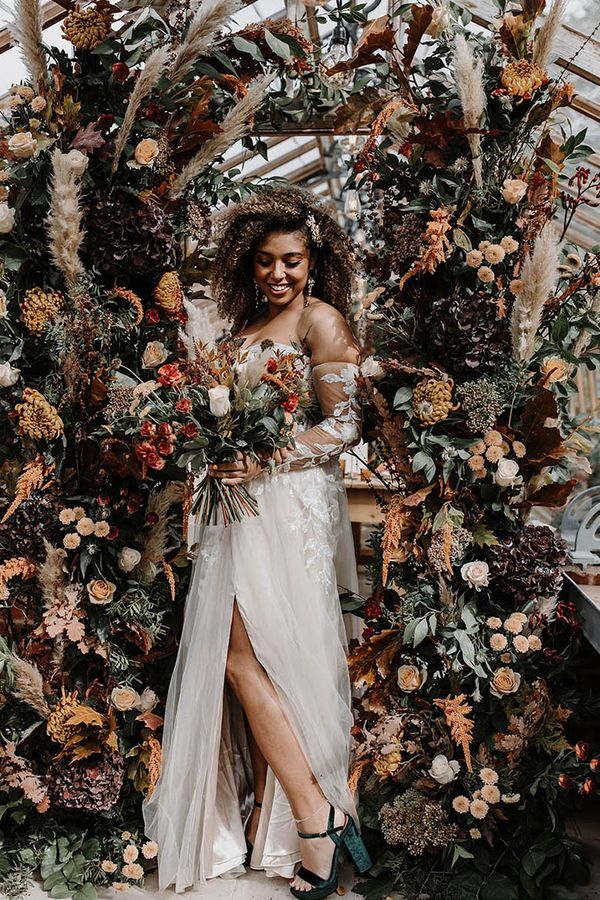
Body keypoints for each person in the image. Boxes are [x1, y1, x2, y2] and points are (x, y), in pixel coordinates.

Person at [142, 187, 371, 898]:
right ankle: (301, 820)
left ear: (313, 259)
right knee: (241, 661)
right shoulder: (245, 328)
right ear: (249, 264)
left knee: (255, 659)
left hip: (286, 508)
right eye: (267, 262)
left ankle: (315, 818)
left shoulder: (322, 321)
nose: (278, 274)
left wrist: (270, 457)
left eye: (292, 261)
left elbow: (346, 426)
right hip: (233, 510)